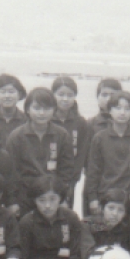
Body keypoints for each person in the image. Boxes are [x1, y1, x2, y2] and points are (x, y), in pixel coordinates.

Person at [5, 88, 74, 216]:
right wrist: (12, 202)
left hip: (52, 196)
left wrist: (64, 198)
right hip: (25, 197)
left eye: (46, 108)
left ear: (54, 109)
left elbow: (67, 171)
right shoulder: (16, 137)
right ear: (27, 109)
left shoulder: (62, 135)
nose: (41, 113)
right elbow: (11, 173)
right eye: (36, 108)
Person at [86, 91, 130, 216]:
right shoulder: (99, 138)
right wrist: (93, 198)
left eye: (127, 109)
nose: (122, 112)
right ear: (110, 110)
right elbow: (93, 171)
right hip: (106, 194)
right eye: (118, 108)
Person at [51, 76, 92, 210]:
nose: (65, 99)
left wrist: (73, 178)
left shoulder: (80, 122)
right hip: (48, 175)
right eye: (61, 94)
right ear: (53, 95)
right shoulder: (47, 119)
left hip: (69, 179)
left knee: (65, 211)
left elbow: (82, 153)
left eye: (70, 95)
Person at [0, 74, 28, 146]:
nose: (7, 96)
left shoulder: (27, 120)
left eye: (11, 92)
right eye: (3, 92)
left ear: (19, 94)